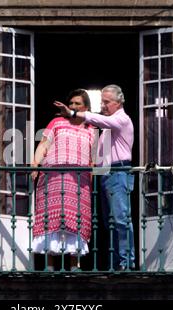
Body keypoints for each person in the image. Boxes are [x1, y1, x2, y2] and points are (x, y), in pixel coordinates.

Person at [54, 84, 135, 271]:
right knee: (110, 222)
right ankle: (116, 263)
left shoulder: (121, 119)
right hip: (106, 173)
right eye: (102, 102)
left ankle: (126, 263)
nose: (104, 105)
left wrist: (73, 113)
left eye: (107, 102)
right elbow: (99, 155)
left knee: (121, 219)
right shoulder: (106, 124)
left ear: (118, 102)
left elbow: (95, 119)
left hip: (118, 171)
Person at [31, 89, 96, 271]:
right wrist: (35, 163)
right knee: (52, 220)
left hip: (79, 182)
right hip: (52, 178)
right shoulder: (57, 122)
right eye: (72, 103)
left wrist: (91, 180)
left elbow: (93, 159)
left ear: (86, 107)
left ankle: (74, 264)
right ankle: (50, 265)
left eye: (78, 104)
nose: (73, 106)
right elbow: (44, 144)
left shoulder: (92, 130)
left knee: (75, 220)